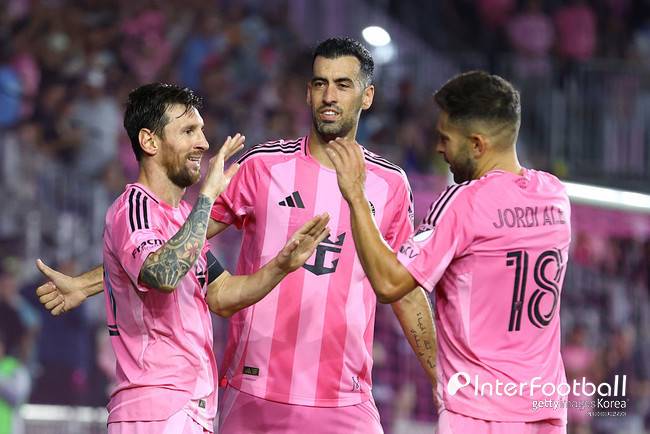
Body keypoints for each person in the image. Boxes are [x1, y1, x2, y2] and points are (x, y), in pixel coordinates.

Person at [36, 38, 437, 434]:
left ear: (367, 96)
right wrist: (90, 283)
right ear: (307, 92)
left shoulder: (390, 185)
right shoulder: (261, 166)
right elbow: (180, 242)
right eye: (320, 83)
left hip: (345, 399)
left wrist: (442, 378)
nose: (329, 96)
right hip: (253, 394)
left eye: (343, 85)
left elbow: (404, 290)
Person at [41, 82, 330, 434]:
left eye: (202, 131)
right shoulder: (134, 208)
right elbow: (163, 274)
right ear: (149, 142)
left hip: (188, 408)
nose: (204, 143)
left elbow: (222, 295)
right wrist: (207, 198)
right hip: (155, 406)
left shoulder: (181, 220)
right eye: (189, 131)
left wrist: (281, 265)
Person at [326, 71, 571, 434]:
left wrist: (356, 195)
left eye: (445, 139)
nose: (439, 150)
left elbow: (390, 284)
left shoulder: (463, 202)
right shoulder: (554, 196)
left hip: (480, 414)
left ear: (477, 145)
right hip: (545, 410)